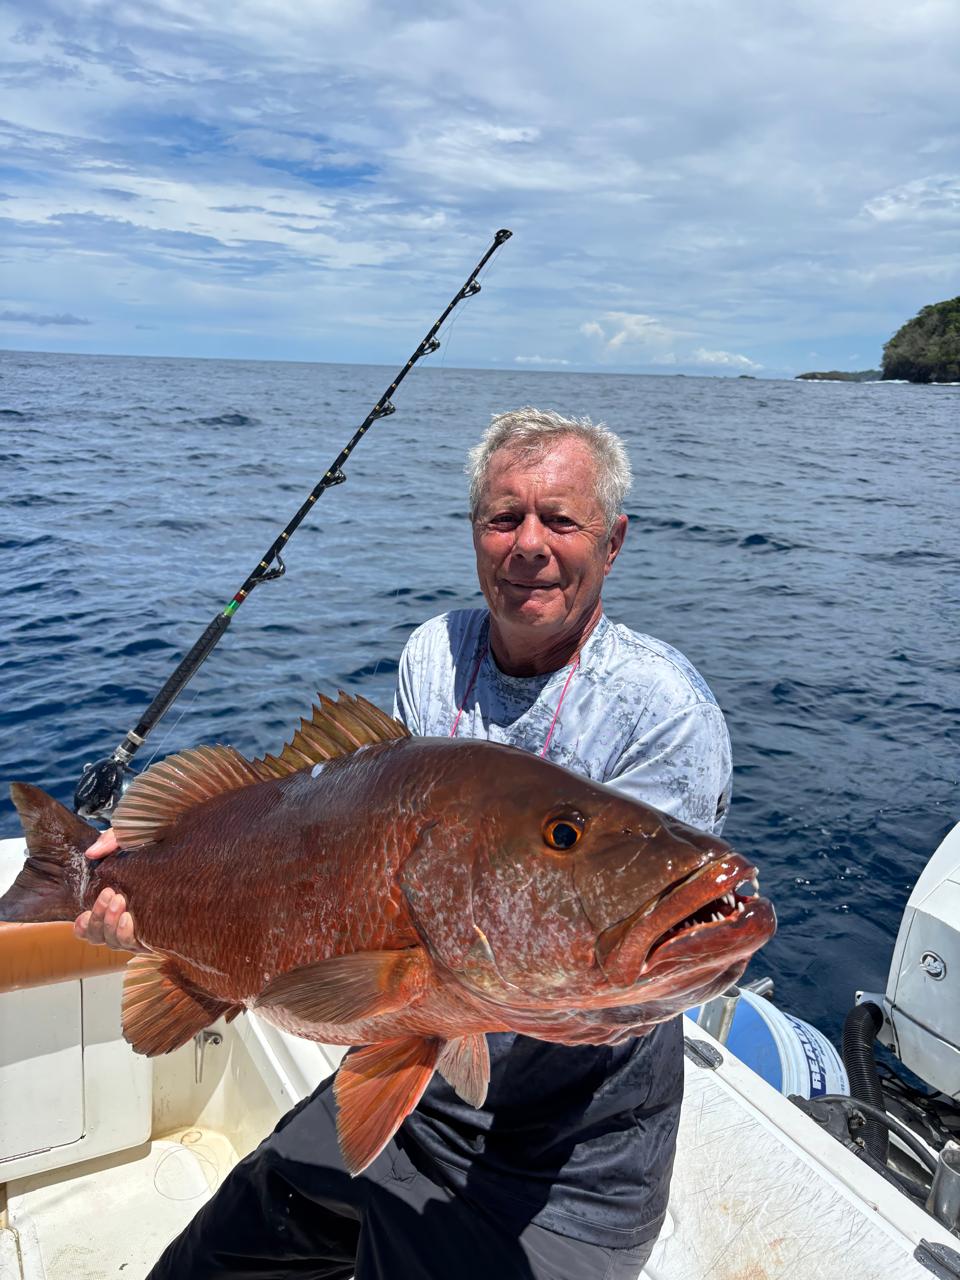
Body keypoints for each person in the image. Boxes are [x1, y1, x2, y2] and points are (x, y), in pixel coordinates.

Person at [77, 408, 732, 1279]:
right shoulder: (435, 652)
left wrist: (397, 983)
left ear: (611, 544)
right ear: (475, 534)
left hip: (566, 1166)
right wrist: (165, 895)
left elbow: (629, 981)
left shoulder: (663, 710)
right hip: (420, 1089)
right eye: (504, 517)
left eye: (561, 520)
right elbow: (341, 846)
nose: (529, 543)